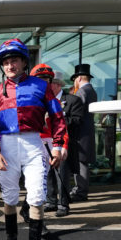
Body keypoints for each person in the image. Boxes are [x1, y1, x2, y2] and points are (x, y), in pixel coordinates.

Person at [0, 39, 66, 240]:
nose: (10, 65)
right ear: (2, 66)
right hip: (7, 145)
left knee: (37, 197)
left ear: (23, 62)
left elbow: (58, 117)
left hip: (33, 143)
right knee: (9, 198)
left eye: (14, 60)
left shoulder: (41, 87)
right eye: (6, 62)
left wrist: (58, 146)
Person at [35, 66, 83, 218]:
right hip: (42, 142)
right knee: (48, 173)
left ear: (55, 84)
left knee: (61, 173)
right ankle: (51, 201)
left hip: (59, 141)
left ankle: (63, 203)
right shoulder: (38, 100)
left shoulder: (66, 100)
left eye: (49, 83)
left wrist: (63, 144)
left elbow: (70, 124)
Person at [70, 63, 97, 201]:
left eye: (75, 79)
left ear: (79, 78)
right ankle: (80, 189)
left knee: (80, 162)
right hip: (88, 131)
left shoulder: (81, 92)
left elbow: (76, 113)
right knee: (83, 162)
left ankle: (81, 191)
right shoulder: (92, 91)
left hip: (80, 132)